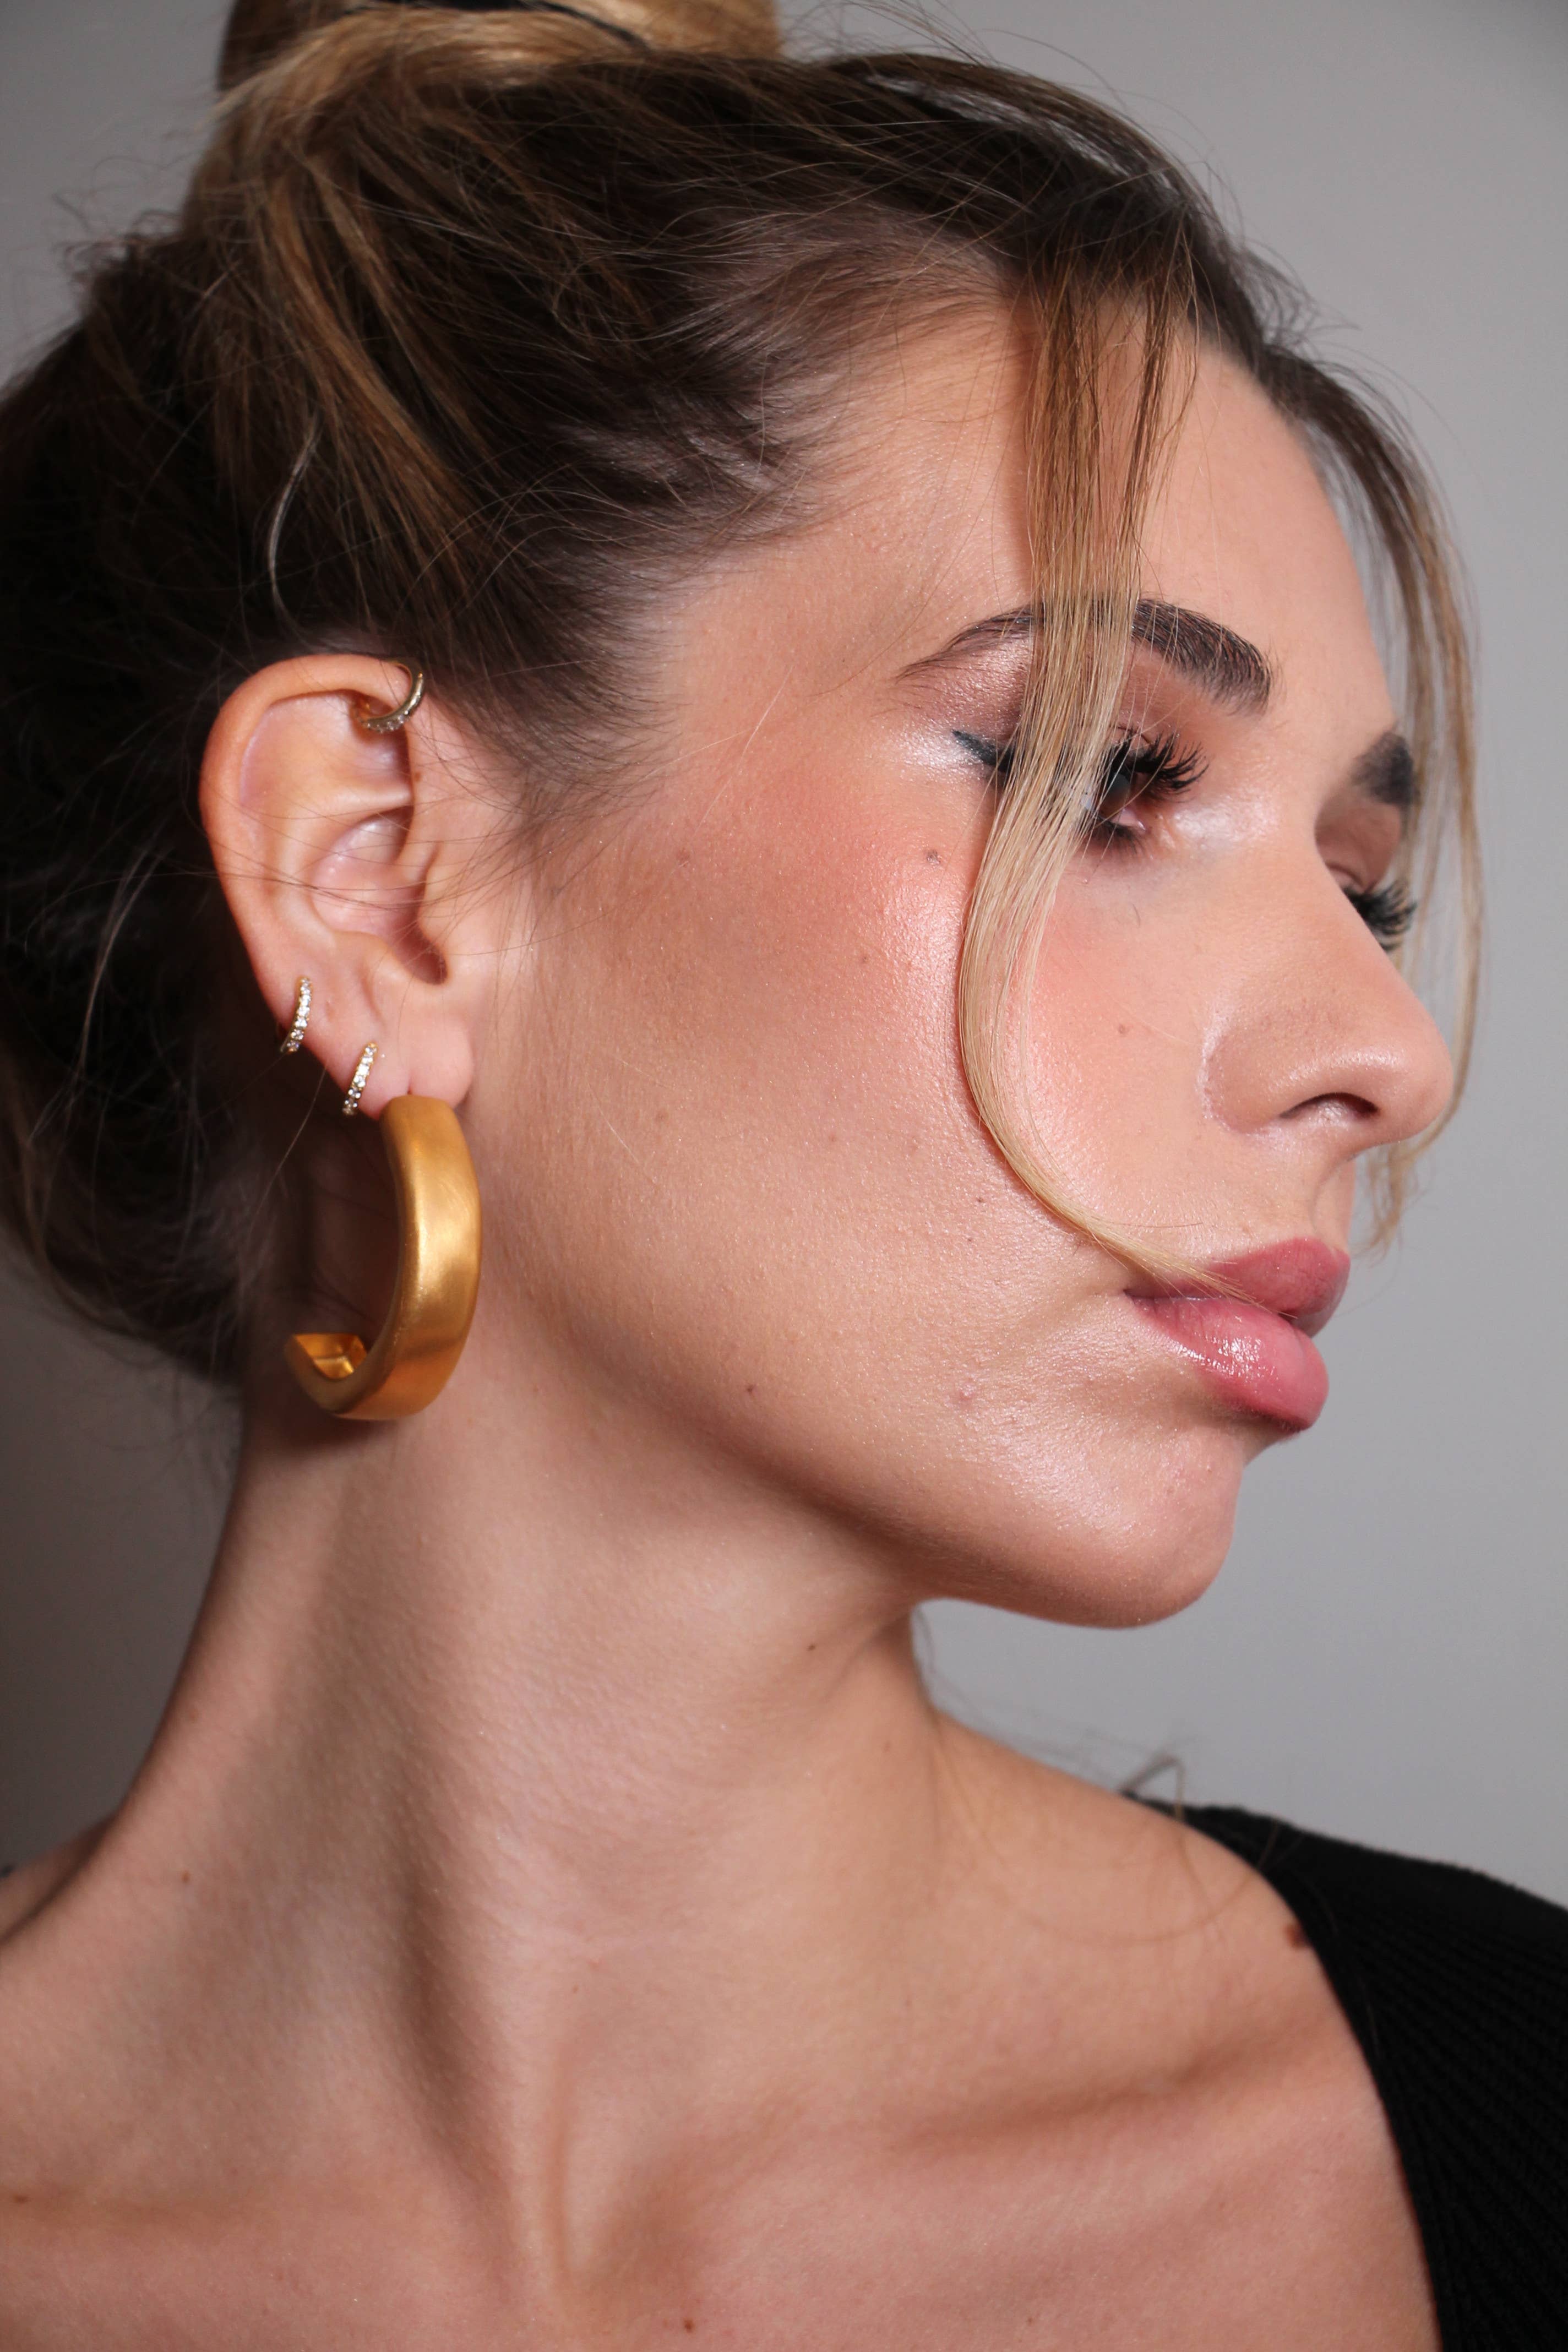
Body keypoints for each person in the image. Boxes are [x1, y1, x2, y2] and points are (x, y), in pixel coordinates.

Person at [0, 0, 1561, 2339]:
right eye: (1105, 775)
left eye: (1366, 889)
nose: (1390, 1057)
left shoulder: (1514, 2123)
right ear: (380, 880)